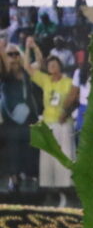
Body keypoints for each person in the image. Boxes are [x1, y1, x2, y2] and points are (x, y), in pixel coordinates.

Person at [26, 37, 74, 190]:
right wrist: (31, 47)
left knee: (64, 154)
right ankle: (49, 187)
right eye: (50, 64)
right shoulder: (45, 80)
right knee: (48, 157)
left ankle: (65, 186)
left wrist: (67, 113)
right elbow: (28, 67)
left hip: (63, 123)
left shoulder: (68, 82)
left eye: (55, 64)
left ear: (60, 66)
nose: (52, 66)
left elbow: (74, 100)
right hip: (48, 123)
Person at [0, 42, 40, 190]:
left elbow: (40, 63)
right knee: (11, 149)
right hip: (10, 119)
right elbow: (3, 66)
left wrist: (33, 47)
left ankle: (29, 177)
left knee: (29, 147)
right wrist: (1, 50)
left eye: (16, 53)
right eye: (10, 54)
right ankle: (13, 179)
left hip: (29, 117)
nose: (14, 57)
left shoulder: (26, 71)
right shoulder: (5, 73)